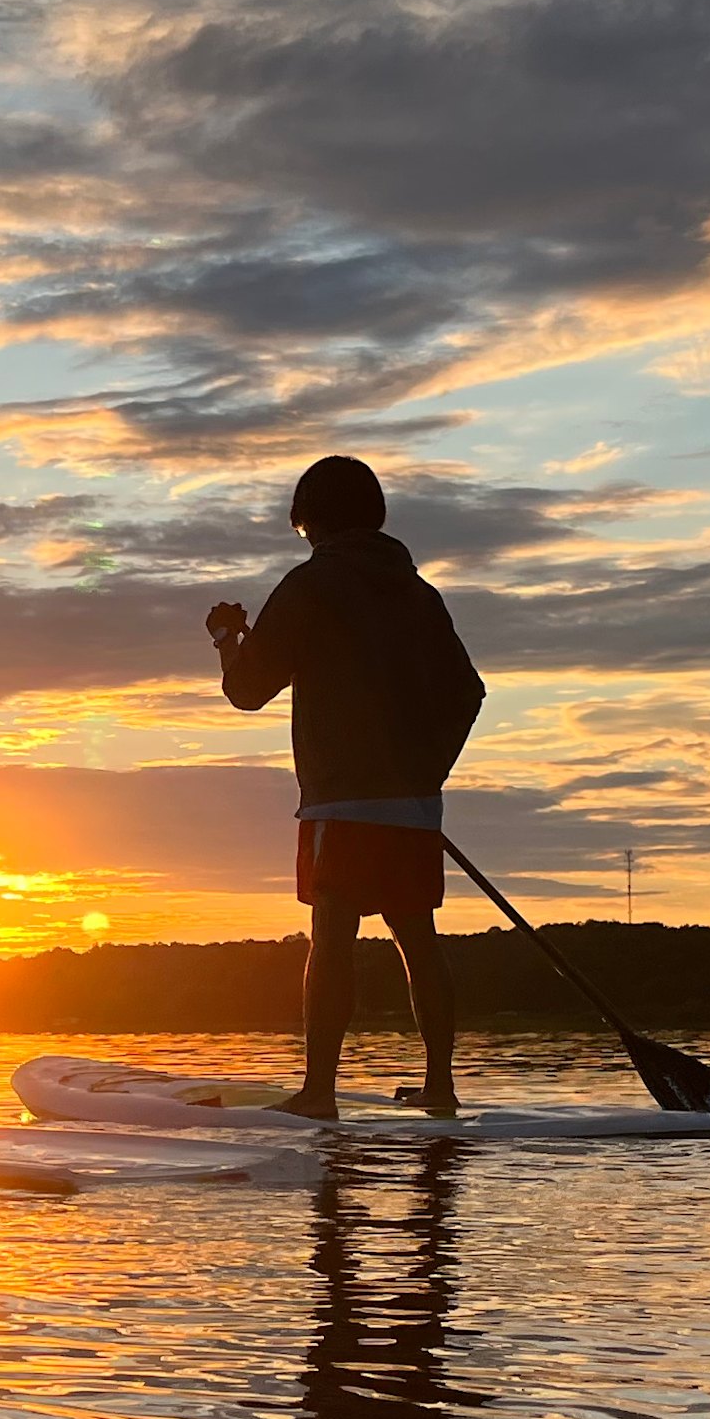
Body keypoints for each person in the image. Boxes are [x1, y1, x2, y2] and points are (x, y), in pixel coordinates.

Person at [206, 456, 486, 1119]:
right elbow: (467, 692)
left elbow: (247, 691)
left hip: (341, 800)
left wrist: (226, 637)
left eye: (303, 530)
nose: (303, 542)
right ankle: (440, 1088)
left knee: (330, 931)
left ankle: (318, 1092)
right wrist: (425, 774)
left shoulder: (313, 584)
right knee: (417, 936)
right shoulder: (419, 593)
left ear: (313, 523)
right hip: (414, 808)